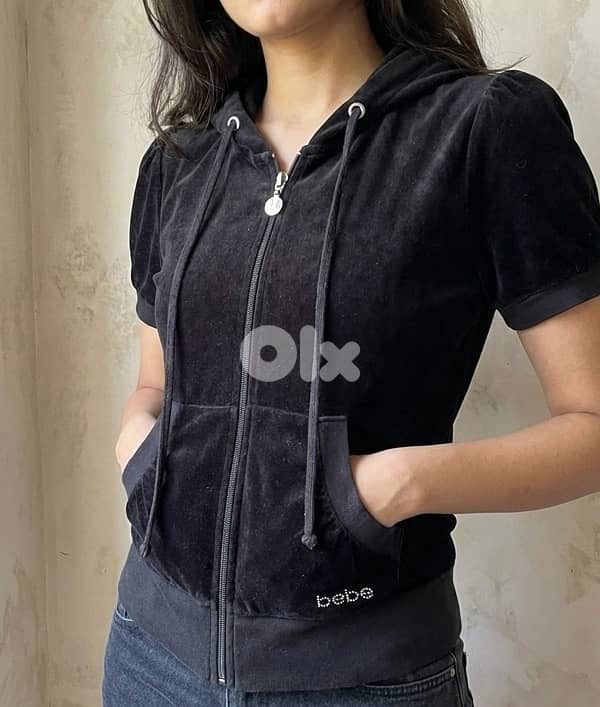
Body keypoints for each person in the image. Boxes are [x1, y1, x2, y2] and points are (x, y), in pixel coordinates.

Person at [102, 1, 600, 705]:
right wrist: (138, 443)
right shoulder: (178, 164)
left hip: (365, 676)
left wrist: (396, 484)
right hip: (149, 658)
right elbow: (156, 384)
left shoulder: (484, 127)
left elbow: (591, 424)